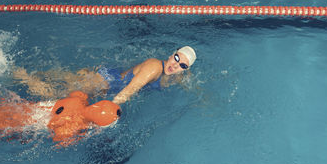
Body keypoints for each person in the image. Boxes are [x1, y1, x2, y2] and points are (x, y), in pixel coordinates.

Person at [13, 46, 197, 105]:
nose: (175, 65)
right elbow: (129, 91)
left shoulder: (176, 76)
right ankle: (20, 75)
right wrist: (108, 109)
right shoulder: (154, 67)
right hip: (105, 82)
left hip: (110, 83)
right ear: (171, 54)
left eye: (182, 65)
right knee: (52, 93)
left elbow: (190, 84)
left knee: (62, 79)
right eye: (176, 58)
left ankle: (38, 73)